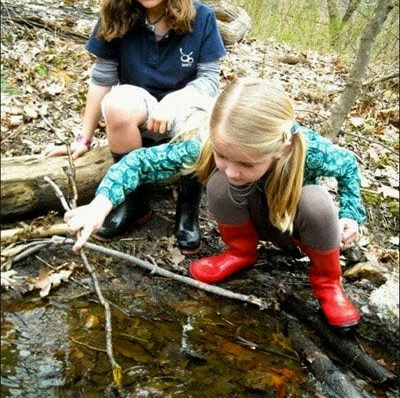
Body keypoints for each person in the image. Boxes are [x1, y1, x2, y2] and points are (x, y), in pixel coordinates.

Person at [64, 77, 366, 329]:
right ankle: (240, 253)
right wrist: (100, 204)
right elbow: (139, 163)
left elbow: (348, 166)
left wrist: (352, 213)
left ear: (281, 148)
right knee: (220, 182)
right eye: (223, 155)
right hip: (248, 217)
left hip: (293, 225)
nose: (233, 169)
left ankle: (328, 283)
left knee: (317, 201)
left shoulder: (307, 149)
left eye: (247, 164)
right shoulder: (210, 146)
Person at [44, 0, 226, 254]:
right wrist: (82, 139)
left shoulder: (202, 18)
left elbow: (211, 80)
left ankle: (188, 206)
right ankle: (133, 200)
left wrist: (176, 100)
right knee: (116, 104)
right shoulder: (117, 15)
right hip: (137, 109)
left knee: (200, 121)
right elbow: (102, 78)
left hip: (186, 111)